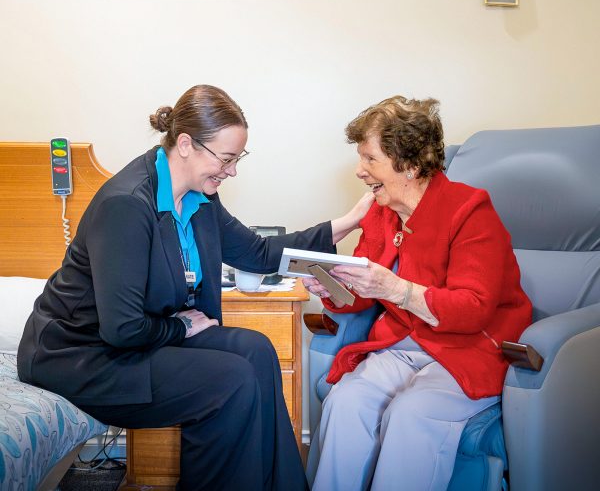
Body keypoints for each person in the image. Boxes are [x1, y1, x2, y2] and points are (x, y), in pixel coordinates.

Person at [17, 84, 373, 491]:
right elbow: (122, 329)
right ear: (186, 144)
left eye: (238, 159)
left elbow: (257, 252)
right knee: (229, 380)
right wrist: (183, 327)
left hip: (134, 339)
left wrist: (349, 221)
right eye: (226, 158)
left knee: (256, 351)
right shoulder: (127, 205)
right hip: (80, 356)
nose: (232, 170)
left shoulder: (199, 198)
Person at [304, 96, 532, 491]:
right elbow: (363, 292)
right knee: (346, 402)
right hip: (403, 342)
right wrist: (334, 288)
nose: (360, 171)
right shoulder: (382, 209)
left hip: (469, 348)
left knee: (411, 413)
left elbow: (473, 309)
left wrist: (397, 289)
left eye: (369, 159)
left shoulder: (470, 211)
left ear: (409, 164)